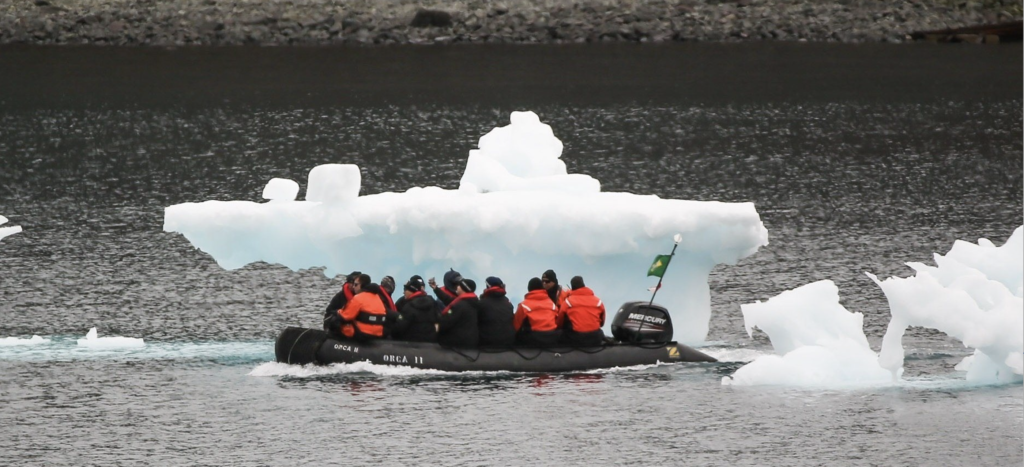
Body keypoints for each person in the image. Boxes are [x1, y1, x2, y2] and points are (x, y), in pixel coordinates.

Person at [336, 274, 388, 341]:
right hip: (378, 333)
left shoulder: (359, 298)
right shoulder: (378, 298)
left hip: (363, 333)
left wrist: (338, 312)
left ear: (362, 285)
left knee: (336, 322)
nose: (353, 287)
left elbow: (346, 316)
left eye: (356, 284)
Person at [514, 277, 563, 347]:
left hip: (533, 339)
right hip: (552, 337)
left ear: (529, 289)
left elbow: (516, 326)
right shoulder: (552, 304)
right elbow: (558, 322)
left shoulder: (523, 305)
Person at [559, 276, 607, 346]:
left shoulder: (568, 302)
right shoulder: (598, 301)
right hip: (596, 337)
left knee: (560, 334)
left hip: (576, 338)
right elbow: (602, 323)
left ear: (572, 288)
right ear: (584, 285)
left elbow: (560, 322)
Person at [391, 275, 438, 343]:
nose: (404, 292)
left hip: (412, 342)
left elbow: (399, 327)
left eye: (405, 290)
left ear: (411, 291)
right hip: (430, 342)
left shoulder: (409, 306)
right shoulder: (432, 302)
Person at [436, 278, 480, 348]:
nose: (457, 287)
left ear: (463, 288)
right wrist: (436, 289)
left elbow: (447, 322)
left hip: (457, 343)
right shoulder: (474, 302)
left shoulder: (460, 305)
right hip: (471, 341)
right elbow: (448, 299)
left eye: (459, 285)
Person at [477, 276, 516, 347]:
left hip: (487, 340)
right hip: (507, 340)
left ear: (488, 287)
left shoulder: (482, 303)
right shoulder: (508, 303)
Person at [324, 270, 361, 334]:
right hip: (344, 323)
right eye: (351, 283)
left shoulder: (364, 297)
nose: (352, 286)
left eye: (355, 284)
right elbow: (329, 311)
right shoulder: (340, 296)